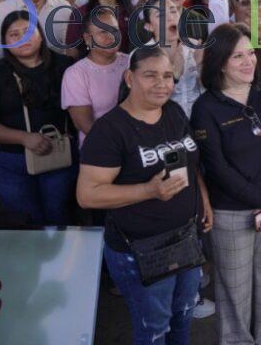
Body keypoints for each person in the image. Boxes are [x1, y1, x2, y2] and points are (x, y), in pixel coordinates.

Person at [77, 46, 212, 343]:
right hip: (140, 250)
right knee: (154, 329)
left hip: (185, 239)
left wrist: (203, 198)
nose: (162, 83)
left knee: (183, 315)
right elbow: (87, 195)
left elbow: (190, 161)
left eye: (167, 76)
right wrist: (148, 190)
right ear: (129, 78)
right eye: (150, 75)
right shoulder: (110, 130)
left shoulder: (174, 112)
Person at [192, 24, 261, 345]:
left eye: (251, 53)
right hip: (231, 212)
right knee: (234, 288)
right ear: (220, 63)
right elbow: (218, 169)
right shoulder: (205, 108)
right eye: (238, 56)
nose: (249, 61)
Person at [0, 11, 76, 225]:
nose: (22, 38)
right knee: (25, 221)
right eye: (14, 34)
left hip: (58, 153)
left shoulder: (65, 66)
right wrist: (24, 138)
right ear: (5, 42)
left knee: (58, 214)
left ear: (41, 34)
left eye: (28, 32)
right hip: (10, 161)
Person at [62, 10, 131, 146]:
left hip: (138, 145)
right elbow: (85, 124)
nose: (111, 36)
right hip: (101, 148)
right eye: (103, 32)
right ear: (88, 39)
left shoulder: (132, 62)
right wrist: (121, 146)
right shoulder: (76, 74)